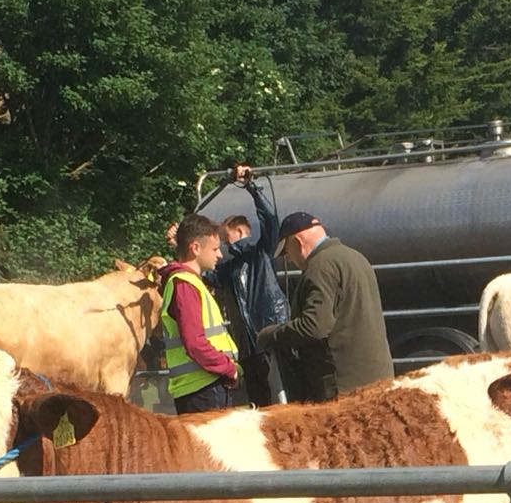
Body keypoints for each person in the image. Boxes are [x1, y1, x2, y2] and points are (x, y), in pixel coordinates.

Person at [255, 213, 394, 402]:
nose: (289, 260)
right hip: (377, 377)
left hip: (344, 385)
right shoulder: (356, 257)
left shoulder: (320, 267)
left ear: (297, 242)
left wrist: (270, 335)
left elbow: (314, 326)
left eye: (287, 252)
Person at [210, 164, 292, 405]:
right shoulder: (229, 269)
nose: (225, 245)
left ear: (240, 231)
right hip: (247, 346)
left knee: (280, 396)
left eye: (226, 238)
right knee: (258, 401)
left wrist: (252, 187)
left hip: (269, 336)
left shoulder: (261, 254)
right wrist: (179, 243)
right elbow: (203, 273)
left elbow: (271, 221)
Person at [158, 215, 242, 414]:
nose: (219, 255)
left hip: (203, 385)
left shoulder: (188, 282)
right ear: (195, 248)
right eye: (215, 249)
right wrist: (228, 368)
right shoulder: (185, 285)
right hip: (203, 388)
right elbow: (195, 343)